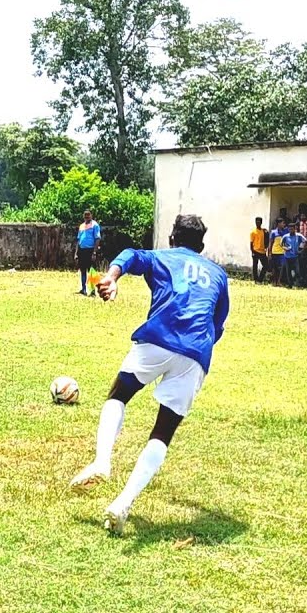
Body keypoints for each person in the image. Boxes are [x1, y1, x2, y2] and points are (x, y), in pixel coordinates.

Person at [69, 215, 229, 537]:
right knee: (162, 432)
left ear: (172, 238)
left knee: (119, 395)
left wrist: (112, 277)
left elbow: (130, 254)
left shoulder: (162, 257)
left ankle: (102, 461)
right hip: (196, 352)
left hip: (158, 338)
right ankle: (123, 503)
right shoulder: (218, 275)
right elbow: (218, 324)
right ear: (201, 246)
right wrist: (194, 350)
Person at [76, 210, 101, 296]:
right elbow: (78, 240)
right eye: (85, 215)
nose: (86, 216)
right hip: (82, 251)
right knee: (83, 270)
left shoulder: (95, 225)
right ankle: (83, 289)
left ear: (91, 215)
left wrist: (94, 252)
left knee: (92, 271)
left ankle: (93, 291)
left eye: (88, 215)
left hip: (90, 250)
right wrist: (76, 253)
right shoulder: (81, 226)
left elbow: (97, 239)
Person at [280, 222, 305, 288]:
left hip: (295, 256)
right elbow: (281, 244)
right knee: (288, 272)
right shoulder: (285, 236)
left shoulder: (298, 236)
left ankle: (298, 284)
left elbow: (306, 242)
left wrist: (301, 250)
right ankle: (290, 284)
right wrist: (285, 248)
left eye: (292, 229)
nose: (291, 230)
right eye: (290, 229)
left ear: (295, 229)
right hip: (287, 256)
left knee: (297, 271)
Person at [268, 219, 287, 286]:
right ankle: (274, 281)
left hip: (282, 253)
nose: (284, 225)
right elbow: (271, 243)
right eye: (282, 223)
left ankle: (279, 281)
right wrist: (269, 253)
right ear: (279, 224)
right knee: (274, 268)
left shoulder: (285, 232)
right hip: (274, 252)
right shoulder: (273, 232)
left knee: (281, 268)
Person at [249, 217, 269, 284]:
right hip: (255, 250)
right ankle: (256, 279)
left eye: (259, 222)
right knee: (255, 266)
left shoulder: (264, 231)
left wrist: (266, 247)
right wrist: (252, 251)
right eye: (256, 222)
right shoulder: (253, 232)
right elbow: (251, 243)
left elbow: (267, 239)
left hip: (262, 251)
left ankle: (260, 279)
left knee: (266, 266)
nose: (258, 223)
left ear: (261, 223)